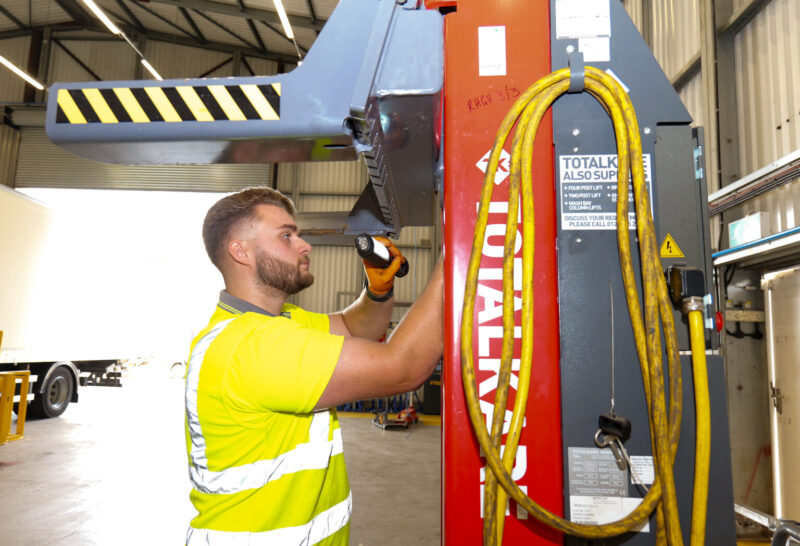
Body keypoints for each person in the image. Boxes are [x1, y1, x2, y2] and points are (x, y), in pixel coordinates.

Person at [184, 187, 443, 545]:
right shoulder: (253, 346)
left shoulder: (277, 323)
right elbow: (404, 367)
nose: (304, 246)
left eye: (299, 235)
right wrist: (459, 261)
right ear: (240, 252)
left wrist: (377, 290)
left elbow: (358, 328)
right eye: (287, 236)